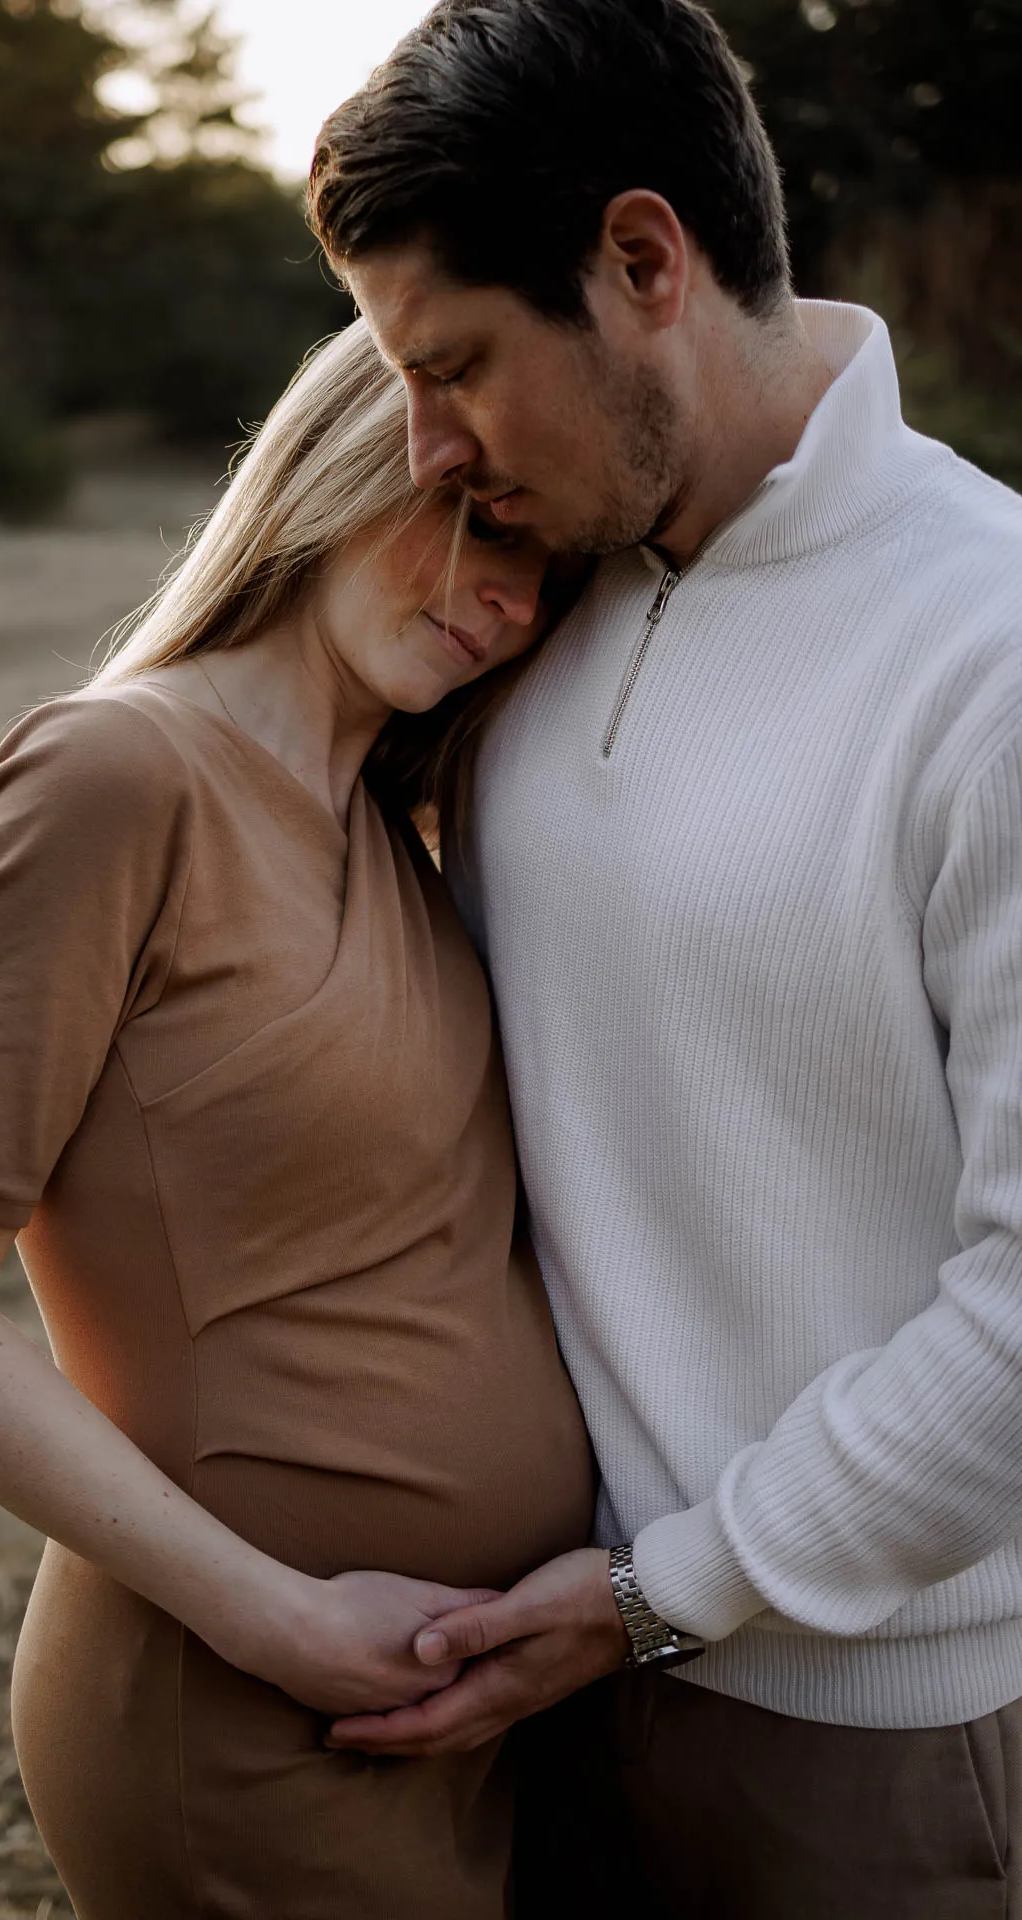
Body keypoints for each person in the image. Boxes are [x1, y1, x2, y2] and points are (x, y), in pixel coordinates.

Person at [308, 1, 1022, 1913]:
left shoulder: (990, 650)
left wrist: (661, 1597)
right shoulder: (528, 603)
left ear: (644, 262)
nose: (425, 447)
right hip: (532, 1682)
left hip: (858, 1737)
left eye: (453, 365)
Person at [0, 317, 596, 1920]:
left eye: (551, 574)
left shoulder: (393, 827)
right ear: (351, 464)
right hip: (240, 1709)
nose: (514, 604)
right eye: (486, 523)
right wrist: (273, 1622)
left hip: (457, 1703)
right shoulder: (116, 778)